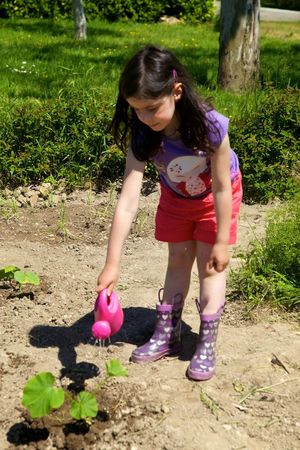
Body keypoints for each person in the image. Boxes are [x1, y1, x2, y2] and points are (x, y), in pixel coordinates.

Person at [97, 45, 242, 381]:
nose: (145, 119)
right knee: (177, 258)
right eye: (136, 110)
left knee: (210, 266)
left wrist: (222, 240)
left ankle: (206, 341)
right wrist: (112, 263)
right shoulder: (143, 133)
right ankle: (168, 333)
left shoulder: (210, 127)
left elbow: (221, 187)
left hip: (215, 199)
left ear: (176, 92)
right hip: (176, 200)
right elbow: (128, 200)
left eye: (151, 109)